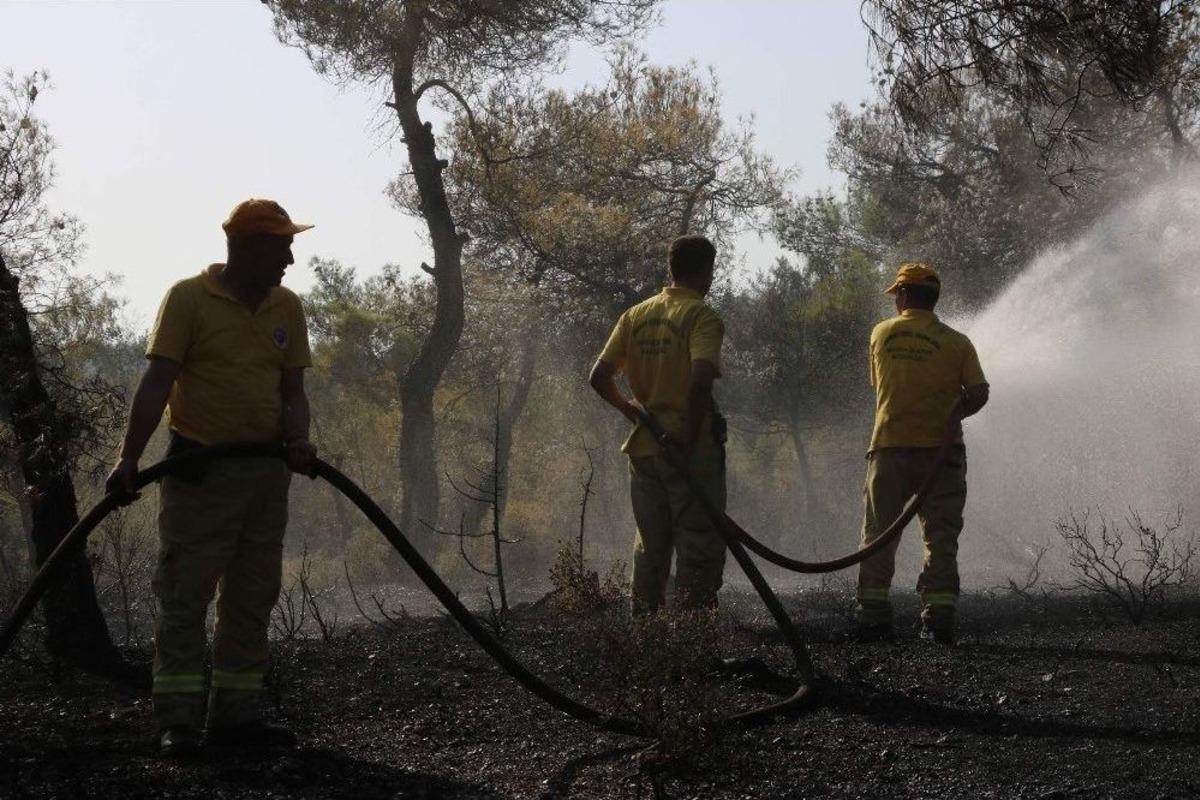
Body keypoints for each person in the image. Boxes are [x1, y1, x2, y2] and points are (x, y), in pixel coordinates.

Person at [105, 198, 318, 756]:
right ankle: (177, 721)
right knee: (185, 597)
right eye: (281, 247)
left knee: (252, 598)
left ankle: (235, 717)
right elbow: (157, 383)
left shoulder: (287, 307)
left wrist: (298, 439)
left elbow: (293, 392)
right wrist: (129, 459)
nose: (290, 259)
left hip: (265, 475)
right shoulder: (188, 299)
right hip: (199, 473)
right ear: (247, 247)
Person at [588, 234, 728, 615]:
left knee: (651, 545)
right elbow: (700, 379)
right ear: (706, 272)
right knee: (699, 542)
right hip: (688, 450)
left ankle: (646, 634)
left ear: (672, 268)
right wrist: (687, 439)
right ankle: (692, 636)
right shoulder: (701, 317)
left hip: (645, 449)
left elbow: (598, 377)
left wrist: (631, 411)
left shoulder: (635, 316)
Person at [854, 262, 989, 645]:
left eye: (896, 294)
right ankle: (938, 620)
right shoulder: (958, 342)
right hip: (942, 457)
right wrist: (954, 413)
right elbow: (979, 393)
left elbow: (880, 384)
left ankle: (873, 618)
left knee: (878, 534)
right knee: (940, 539)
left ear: (903, 294)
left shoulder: (880, 333)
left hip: (890, 449)